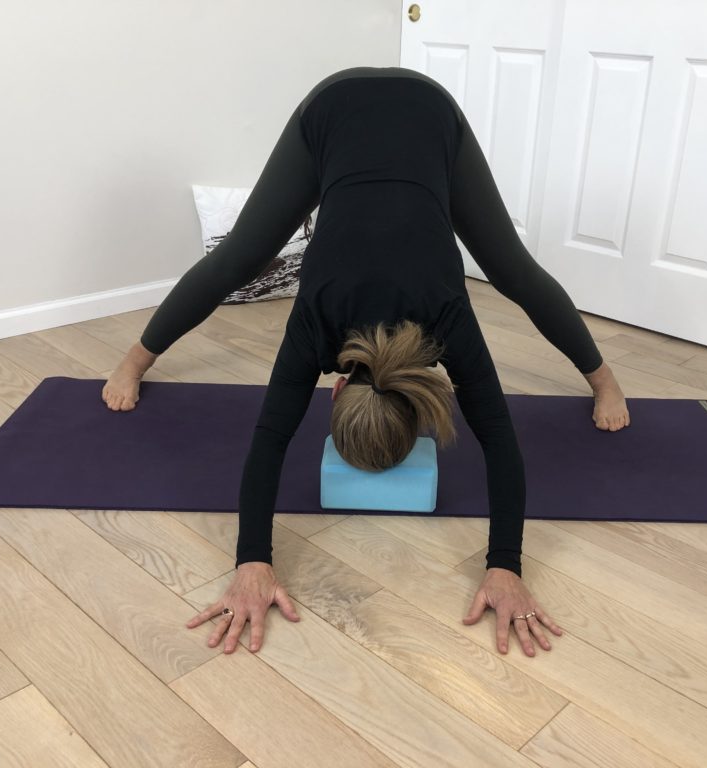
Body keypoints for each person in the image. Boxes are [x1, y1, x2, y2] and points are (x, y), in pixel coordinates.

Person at [102, 66, 630, 658]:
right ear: (339, 391)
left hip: (392, 112)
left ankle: (604, 380)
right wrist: (253, 562)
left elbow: (499, 439)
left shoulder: (417, 323)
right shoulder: (372, 322)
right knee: (237, 260)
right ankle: (134, 361)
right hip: (375, 112)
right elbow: (269, 438)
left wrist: (505, 566)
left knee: (514, 271)